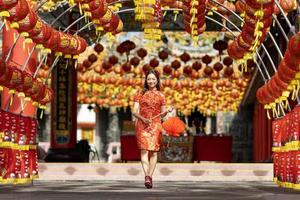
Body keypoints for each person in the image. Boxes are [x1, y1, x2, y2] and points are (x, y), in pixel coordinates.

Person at [132, 69, 173, 189]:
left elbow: (162, 114)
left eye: (153, 79)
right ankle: (146, 176)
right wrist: (142, 119)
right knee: (144, 150)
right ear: (146, 80)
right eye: (149, 79)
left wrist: (167, 111)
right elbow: (134, 111)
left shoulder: (161, 95)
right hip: (142, 125)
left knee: (154, 151)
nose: (151, 81)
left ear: (157, 80)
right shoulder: (140, 93)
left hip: (155, 125)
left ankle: (150, 176)